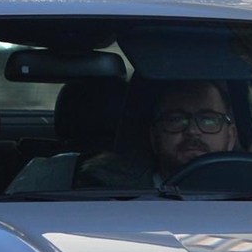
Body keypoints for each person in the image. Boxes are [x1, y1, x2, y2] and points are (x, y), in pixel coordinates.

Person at [76, 79, 241, 188]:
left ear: (231, 136)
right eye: (176, 119)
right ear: (155, 137)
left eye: (208, 120)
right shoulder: (109, 194)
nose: (192, 131)